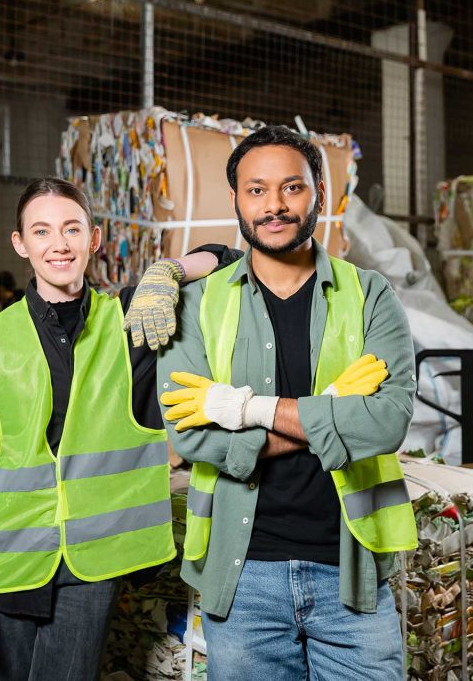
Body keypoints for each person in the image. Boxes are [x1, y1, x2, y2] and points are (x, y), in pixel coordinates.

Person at [0, 177, 238, 680]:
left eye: (72, 229)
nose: (59, 244)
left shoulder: (131, 321)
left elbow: (230, 261)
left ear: (94, 240)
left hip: (91, 564)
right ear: (21, 244)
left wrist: (168, 271)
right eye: (42, 231)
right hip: (6, 561)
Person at [157, 126, 418, 680]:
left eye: (291, 188)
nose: (274, 205)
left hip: (351, 572)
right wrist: (327, 411)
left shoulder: (370, 295)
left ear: (319, 192)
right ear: (234, 200)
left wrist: (244, 408)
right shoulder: (196, 306)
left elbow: (385, 422)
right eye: (256, 190)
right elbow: (192, 436)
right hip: (243, 575)